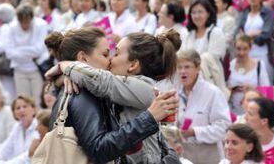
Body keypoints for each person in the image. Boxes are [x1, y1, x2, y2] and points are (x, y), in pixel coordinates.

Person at [42, 27, 179, 163]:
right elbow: (99, 148)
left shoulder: (142, 88)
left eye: (115, 54)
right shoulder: (80, 92)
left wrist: (67, 66)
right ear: (83, 58)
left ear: (133, 65)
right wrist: (68, 72)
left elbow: (102, 81)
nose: (110, 60)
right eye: (106, 54)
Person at [176, 49, 231, 164]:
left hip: (209, 156)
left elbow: (224, 127)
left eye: (187, 67)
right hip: (183, 155)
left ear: (197, 68)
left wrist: (195, 132)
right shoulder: (174, 93)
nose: (182, 71)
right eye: (179, 67)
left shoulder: (213, 93)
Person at [181, 0, 229, 98]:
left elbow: (214, 57)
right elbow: (182, 56)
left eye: (200, 12)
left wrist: (192, 62)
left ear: (208, 13)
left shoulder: (216, 32)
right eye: (194, 12)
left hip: (210, 81)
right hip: (190, 83)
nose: (197, 16)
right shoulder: (188, 34)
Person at [5, 4, 49, 107]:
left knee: (38, 101)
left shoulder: (41, 25)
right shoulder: (11, 27)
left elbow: (39, 50)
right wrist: (30, 52)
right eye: (22, 23)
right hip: (19, 70)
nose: (25, 26)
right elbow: (9, 53)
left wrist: (19, 51)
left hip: (36, 69)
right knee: (23, 102)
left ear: (31, 19)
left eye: (27, 22)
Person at [0, 95, 39, 163]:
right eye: (18, 108)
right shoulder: (16, 127)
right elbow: (5, 150)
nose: (21, 110)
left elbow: (28, 156)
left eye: (25, 106)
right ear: (14, 114)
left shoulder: (38, 127)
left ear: (33, 110)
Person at [228, 35, 270, 115]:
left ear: (250, 48)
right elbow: (223, 90)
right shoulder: (230, 66)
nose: (241, 53)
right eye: (238, 49)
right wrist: (232, 90)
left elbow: (268, 92)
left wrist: (252, 88)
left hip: (255, 112)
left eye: (245, 49)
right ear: (234, 48)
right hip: (234, 112)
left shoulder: (259, 65)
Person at [237, 0, 274, 83]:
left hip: (262, 52)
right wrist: (256, 33)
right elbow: (239, 31)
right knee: (247, 83)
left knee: (265, 84)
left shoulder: (267, 12)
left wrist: (247, 36)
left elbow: (266, 33)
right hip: (246, 53)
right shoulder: (245, 12)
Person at [245, 97, 274, 163]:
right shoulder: (243, 142)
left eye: (250, 114)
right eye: (246, 113)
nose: (245, 117)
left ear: (264, 121)